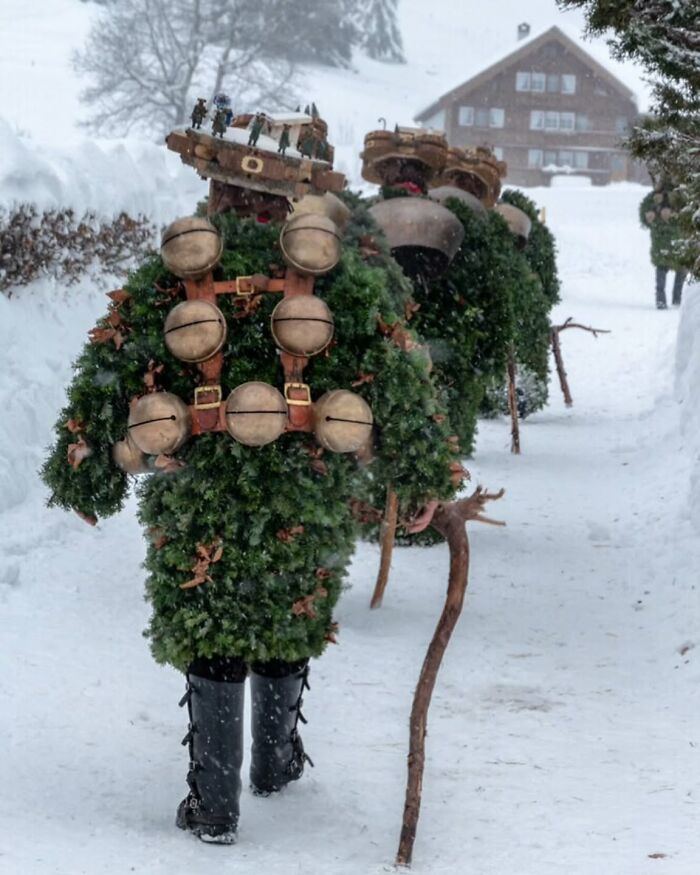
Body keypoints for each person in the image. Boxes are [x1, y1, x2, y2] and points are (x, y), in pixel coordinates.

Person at [41, 169, 456, 844]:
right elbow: (394, 367)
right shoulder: (338, 276)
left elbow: (113, 364)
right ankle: (274, 759)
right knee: (291, 610)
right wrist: (421, 471)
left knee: (209, 622)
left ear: (216, 192)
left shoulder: (168, 277)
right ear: (293, 200)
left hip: (198, 486)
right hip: (307, 483)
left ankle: (213, 803)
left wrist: (84, 475)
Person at [640, 178, 689, 309]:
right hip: (663, 239)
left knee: (680, 270)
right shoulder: (655, 195)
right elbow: (645, 211)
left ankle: (675, 300)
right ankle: (663, 300)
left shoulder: (684, 193)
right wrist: (650, 215)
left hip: (679, 239)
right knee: (663, 269)